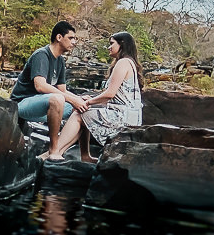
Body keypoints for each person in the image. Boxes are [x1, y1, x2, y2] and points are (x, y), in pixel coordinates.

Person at [45, 31, 144, 162]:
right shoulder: (130, 63)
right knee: (86, 113)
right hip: (132, 118)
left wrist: (89, 102)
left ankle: (55, 151)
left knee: (79, 114)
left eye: (111, 44)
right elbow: (116, 97)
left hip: (122, 117)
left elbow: (109, 94)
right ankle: (83, 156)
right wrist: (89, 99)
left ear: (122, 44)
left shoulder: (123, 63)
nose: (109, 47)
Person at [9, 20, 89, 158]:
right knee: (57, 99)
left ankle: (82, 155)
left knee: (85, 107)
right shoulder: (42, 55)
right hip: (22, 104)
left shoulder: (60, 60)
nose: (74, 42)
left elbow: (63, 90)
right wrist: (70, 99)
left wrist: (78, 99)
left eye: (75, 38)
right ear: (59, 37)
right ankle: (53, 150)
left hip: (43, 105)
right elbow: (40, 85)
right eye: (71, 38)